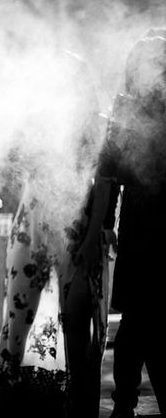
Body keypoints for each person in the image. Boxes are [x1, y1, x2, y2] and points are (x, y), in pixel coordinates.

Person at [0, 50, 111, 418]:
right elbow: (13, 166)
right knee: (18, 316)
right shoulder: (37, 121)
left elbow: (104, 184)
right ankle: (13, 403)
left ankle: (82, 405)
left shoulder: (98, 124)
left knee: (77, 320)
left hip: (78, 226)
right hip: (33, 224)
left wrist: (92, 238)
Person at [86, 34, 166, 418]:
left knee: (146, 319)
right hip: (141, 222)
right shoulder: (126, 110)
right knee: (138, 318)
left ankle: (126, 404)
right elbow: (108, 175)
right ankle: (124, 405)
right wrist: (103, 225)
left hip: (153, 219)